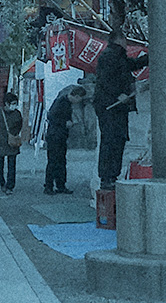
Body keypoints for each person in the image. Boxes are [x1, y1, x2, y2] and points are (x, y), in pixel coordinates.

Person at [93, 37, 149, 190]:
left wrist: (148, 58)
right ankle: (107, 176)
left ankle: (112, 175)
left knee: (118, 140)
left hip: (118, 107)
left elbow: (133, 65)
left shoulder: (119, 58)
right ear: (119, 41)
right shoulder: (108, 56)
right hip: (110, 106)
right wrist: (118, 95)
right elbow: (106, 80)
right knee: (111, 141)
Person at [42, 84, 86, 195]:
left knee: (61, 161)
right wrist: (64, 123)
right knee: (53, 161)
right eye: (80, 99)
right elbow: (51, 116)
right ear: (76, 96)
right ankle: (49, 186)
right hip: (54, 135)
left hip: (61, 135)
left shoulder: (67, 103)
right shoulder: (61, 102)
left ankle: (60, 185)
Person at [0, 89, 26, 194]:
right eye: (13, 103)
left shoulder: (17, 114)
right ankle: (2, 182)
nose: (15, 106)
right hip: (0, 142)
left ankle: (10, 185)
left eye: (16, 104)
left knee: (11, 165)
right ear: (6, 104)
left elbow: (19, 126)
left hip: (11, 142)